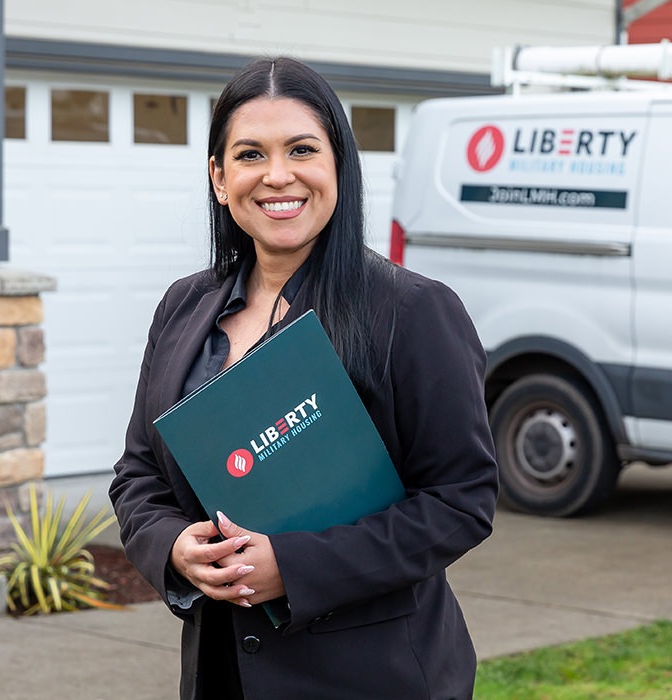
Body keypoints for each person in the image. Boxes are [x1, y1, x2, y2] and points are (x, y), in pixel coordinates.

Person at [109, 56, 499, 700]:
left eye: (301, 149)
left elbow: (460, 501)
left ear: (338, 165)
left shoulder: (412, 311)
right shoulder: (183, 307)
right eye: (250, 155)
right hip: (223, 673)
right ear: (219, 176)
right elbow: (137, 474)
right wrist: (176, 549)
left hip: (374, 676)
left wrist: (293, 567)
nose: (277, 175)